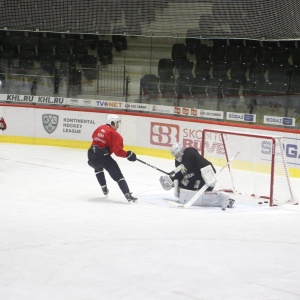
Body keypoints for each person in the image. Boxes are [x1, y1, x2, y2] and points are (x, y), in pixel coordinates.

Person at [160, 142, 234, 209]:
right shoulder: (177, 162)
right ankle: (196, 193)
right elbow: (179, 174)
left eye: (178, 154)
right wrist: (173, 181)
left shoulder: (190, 153)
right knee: (183, 191)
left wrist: (209, 176)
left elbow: (205, 164)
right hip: (192, 181)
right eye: (175, 155)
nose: (177, 157)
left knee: (202, 194)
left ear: (182, 151)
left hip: (203, 178)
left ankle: (224, 199)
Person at [87, 114, 138, 202]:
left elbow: (94, 137)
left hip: (91, 157)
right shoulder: (115, 135)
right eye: (117, 123)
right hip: (103, 158)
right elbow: (118, 151)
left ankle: (104, 189)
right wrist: (128, 154)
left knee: (98, 167)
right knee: (118, 176)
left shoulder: (99, 128)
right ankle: (127, 194)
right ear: (112, 122)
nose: (118, 125)